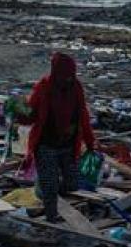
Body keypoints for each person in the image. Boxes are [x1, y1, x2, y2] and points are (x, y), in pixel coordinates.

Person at [17, 52, 95, 222]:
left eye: (71, 76)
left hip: (68, 144)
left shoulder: (76, 87)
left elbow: (83, 115)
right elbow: (31, 114)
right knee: (51, 186)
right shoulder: (43, 87)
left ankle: (41, 188)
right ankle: (51, 217)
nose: (68, 79)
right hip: (46, 144)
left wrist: (90, 142)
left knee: (72, 183)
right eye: (65, 76)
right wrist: (18, 112)